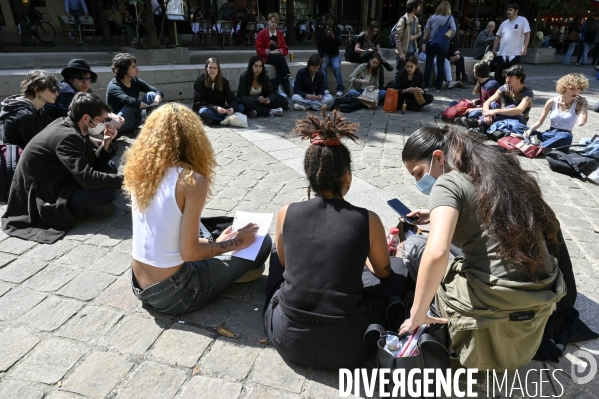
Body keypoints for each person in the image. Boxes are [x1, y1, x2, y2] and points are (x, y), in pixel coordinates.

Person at [396, 125, 594, 370]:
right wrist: (434, 213)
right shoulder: (496, 166)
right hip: (543, 293)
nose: (418, 182)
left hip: (498, 302)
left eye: (418, 173)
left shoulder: (446, 183)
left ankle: (444, 320)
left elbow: (436, 253)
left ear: (438, 157)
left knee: (415, 245)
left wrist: (418, 313)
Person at [263, 110, 409, 369]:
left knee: (276, 255)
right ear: (347, 177)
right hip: (349, 347)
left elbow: (285, 263)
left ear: (310, 174)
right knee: (397, 267)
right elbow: (383, 273)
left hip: (288, 339)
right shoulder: (368, 219)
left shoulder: (287, 212)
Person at [124, 103, 271, 315]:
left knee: (210, 230)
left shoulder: (141, 172)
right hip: (176, 293)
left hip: (140, 284)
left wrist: (216, 243)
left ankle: (223, 261)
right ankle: (232, 271)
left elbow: (167, 235)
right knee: (262, 240)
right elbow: (190, 253)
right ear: (195, 138)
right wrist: (236, 243)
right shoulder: (191, 180)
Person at [1, 92, 122, 244]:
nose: (104, 124)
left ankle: (91, 204)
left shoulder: (73, 126)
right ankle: (82, 209)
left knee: (109, 167)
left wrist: (106, 143)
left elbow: (91, 163)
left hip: (63, 178)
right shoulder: (67, 137)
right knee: (106, 192)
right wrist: (125, 181)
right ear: (86, 118)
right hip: (46, 194)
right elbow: (88, 178)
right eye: (102, 120)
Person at [45, 59, 125, 133]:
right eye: (81, 79)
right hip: (58, 130)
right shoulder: (66, 92)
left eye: (89, 80)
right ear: (70, 78)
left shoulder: (83, 90)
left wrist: (114, 116)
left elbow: (96, 108)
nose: (86, 83)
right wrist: (109, 123)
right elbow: (78, 120)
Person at [518, 73, 588, 154]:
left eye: (579, 88)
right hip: (548, 134)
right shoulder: (552, 101)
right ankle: (543, 146)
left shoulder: (579, 104)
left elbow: (581, 123)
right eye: (572, 88)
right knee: (519, 127)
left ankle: (537, 147)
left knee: (566, 137)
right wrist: (530, 130)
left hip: (563, 135)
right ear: (564, 88)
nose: (576, 92)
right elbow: (540, 121)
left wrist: (585, 105)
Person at [461, 65, 533, 134]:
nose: (507, 79)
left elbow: (518, 111)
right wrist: (487, 114)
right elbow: (487, 102)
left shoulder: (527, 93)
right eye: (506, 76)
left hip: (519, 119)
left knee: (512, 107)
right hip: (506, 115)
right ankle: (483, 126)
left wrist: (494, 111)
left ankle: (479, 123)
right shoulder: (505, 87)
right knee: (493, 104)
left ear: (519, 78)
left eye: (511, 77)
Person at [106, 53, 164, 133]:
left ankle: (166, 118)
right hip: (120, 122)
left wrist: (155, 103)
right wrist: (150, 108)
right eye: (133, 67)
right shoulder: (113, 86)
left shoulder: (135, 81)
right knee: (130, 106)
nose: (137, 69)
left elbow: (157, 91)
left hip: (134, 117)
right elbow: (130, 101)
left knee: (151, 95)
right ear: (124, 70)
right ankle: (142, 123)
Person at [0, 71, 58, 150]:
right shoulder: (24, 115)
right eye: (53, 89)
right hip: (20, 160)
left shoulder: (39, 110)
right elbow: (36, 148)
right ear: (37, 89)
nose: (57, 93)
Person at [192, 58, 247, 124]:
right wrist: (216, 108)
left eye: (215, 68)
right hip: (208, 108)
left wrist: (232, 108)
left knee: (241, 107)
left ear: (218, 70)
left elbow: (232, 98)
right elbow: (199, 102)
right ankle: (228, 118)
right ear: (206, 68)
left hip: (222, 109)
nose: (213, 70)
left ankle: (214, 119)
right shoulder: (200, 81)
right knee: (203, 112)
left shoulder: (224, 81)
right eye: (210, 68)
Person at [255, 13, 293, 98]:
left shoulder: (280, 34)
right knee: (280, 58)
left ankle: (279, 87)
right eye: (272, 21)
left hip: (277, 57)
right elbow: (258, 49)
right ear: (268, 22)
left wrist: (280, 50)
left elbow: (285, 48)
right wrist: (270, 52)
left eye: (275, 22)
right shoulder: (262, 33)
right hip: (266, 57)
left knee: (279, 62)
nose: (273, 24)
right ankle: (289, 77)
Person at [492, 3, 530, 85]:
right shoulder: (504, 23)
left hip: (515, 53)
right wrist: (494, 49)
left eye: (510, 10)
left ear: (516, 11)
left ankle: (510, 94)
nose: (508, 12)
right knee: (498, 76)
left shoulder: (522, 20)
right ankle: (497, 94)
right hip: (502, 53)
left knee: (513, 76)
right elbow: (498, 36)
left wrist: (525, 47)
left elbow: (527, 34)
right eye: (507, 10)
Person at [422, 0, 456, 91]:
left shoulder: (432, 17)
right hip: (442, 45)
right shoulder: (450, 18)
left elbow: (426, 30)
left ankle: (426, 86)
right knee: (440, 65)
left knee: (428, 64)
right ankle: (438, 87)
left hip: (431, 43)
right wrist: (447, 38)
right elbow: (453, 30)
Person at [455, 61, 500, 126]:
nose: (473, 70)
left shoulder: (491, 85)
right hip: (482, 107)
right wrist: (476, 101)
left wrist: (475, 109)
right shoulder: (482, 81)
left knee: (473, 114)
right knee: (454, 103)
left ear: (477, 72)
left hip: (489, 110)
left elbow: (493, 105)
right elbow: (485, 98)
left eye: (474, 69)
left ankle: (470, 121)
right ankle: (461, 116)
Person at [353, 21, 394, 89]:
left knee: (379, 64)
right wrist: (366, 51)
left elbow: (378, 50)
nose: (374, 33)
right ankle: (386, 64)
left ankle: (381, 85)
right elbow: (356, 49)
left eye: (376, 31)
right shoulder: (362, 36)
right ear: (369, 29)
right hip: (362, 56)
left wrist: (381, 57)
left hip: (372, 57)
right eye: (373, 31)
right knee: (371, 52)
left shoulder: (375, 38)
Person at [393, 0, 422, 84]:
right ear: (414, 7)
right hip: (403, 51)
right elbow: (397, 37)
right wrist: (400, 52)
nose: (420, 8)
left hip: (412, 50)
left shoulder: (416, 19)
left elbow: (420, 32)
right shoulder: (403, 20)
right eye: (419, 6)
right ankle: (395, 92)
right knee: (400, 72)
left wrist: (413, 37)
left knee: (412, 72)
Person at [316, 12, 344, 97]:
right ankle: (325, 88)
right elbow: (319, 45)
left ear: (334, 21)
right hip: (325, 54)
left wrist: (332, 35)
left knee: (336, 67)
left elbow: (339, 43)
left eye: (331, 19)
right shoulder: (320, 30)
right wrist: (322, 56)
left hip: (335, 55)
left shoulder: (337, 30)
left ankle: (340, 88)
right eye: (327, 19)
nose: (329, 21)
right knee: (323, 66)